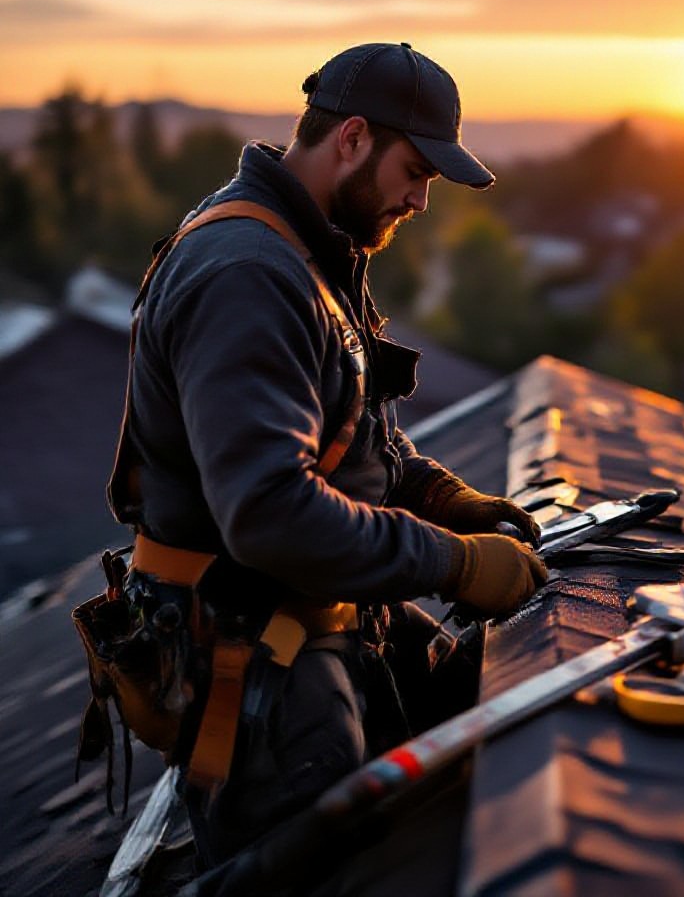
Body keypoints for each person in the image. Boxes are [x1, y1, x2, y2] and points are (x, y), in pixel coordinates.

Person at [104, 42, 548, 867]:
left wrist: (443, 497)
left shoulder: (314, 246)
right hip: (253, 654)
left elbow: (350, 434)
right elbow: (270, 512)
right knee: (328, 872)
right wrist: (453, 563)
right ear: (351, 138)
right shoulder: (247, 274)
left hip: (322, 611)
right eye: (415, 171)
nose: (421, 200)